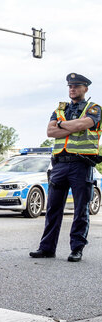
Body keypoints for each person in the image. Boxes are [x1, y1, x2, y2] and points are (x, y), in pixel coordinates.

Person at [30, 73, 101, 262]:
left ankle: (76, 249)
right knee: (52, 208)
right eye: (70, 86)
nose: (72, 89)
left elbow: (84, 123)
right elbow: (50, 131)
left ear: (85, 89)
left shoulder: (93, 108)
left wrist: (62, 125)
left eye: (77, 86)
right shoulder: (60, 109)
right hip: (60, 165)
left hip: (81, 164)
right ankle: (46, 248)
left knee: (80, 210)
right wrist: (71, 125)